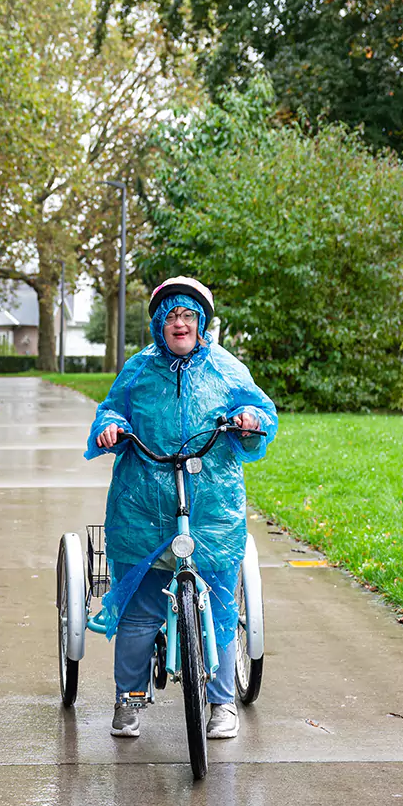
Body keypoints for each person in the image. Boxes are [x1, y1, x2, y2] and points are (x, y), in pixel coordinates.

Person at [85, 277, 277, 741]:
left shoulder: (227, 370)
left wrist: (251, 420)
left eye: (188, 315)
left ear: (202, 322)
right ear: (157, 323)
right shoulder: (138, 370)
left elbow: (259, 411)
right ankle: (128, 697)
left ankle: (222, 701)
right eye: (171, 316)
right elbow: (110, 411)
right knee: (141, 609)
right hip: (143, 504)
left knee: (219, 601)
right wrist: (111, 428)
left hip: (211, 504)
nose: (180, 323)